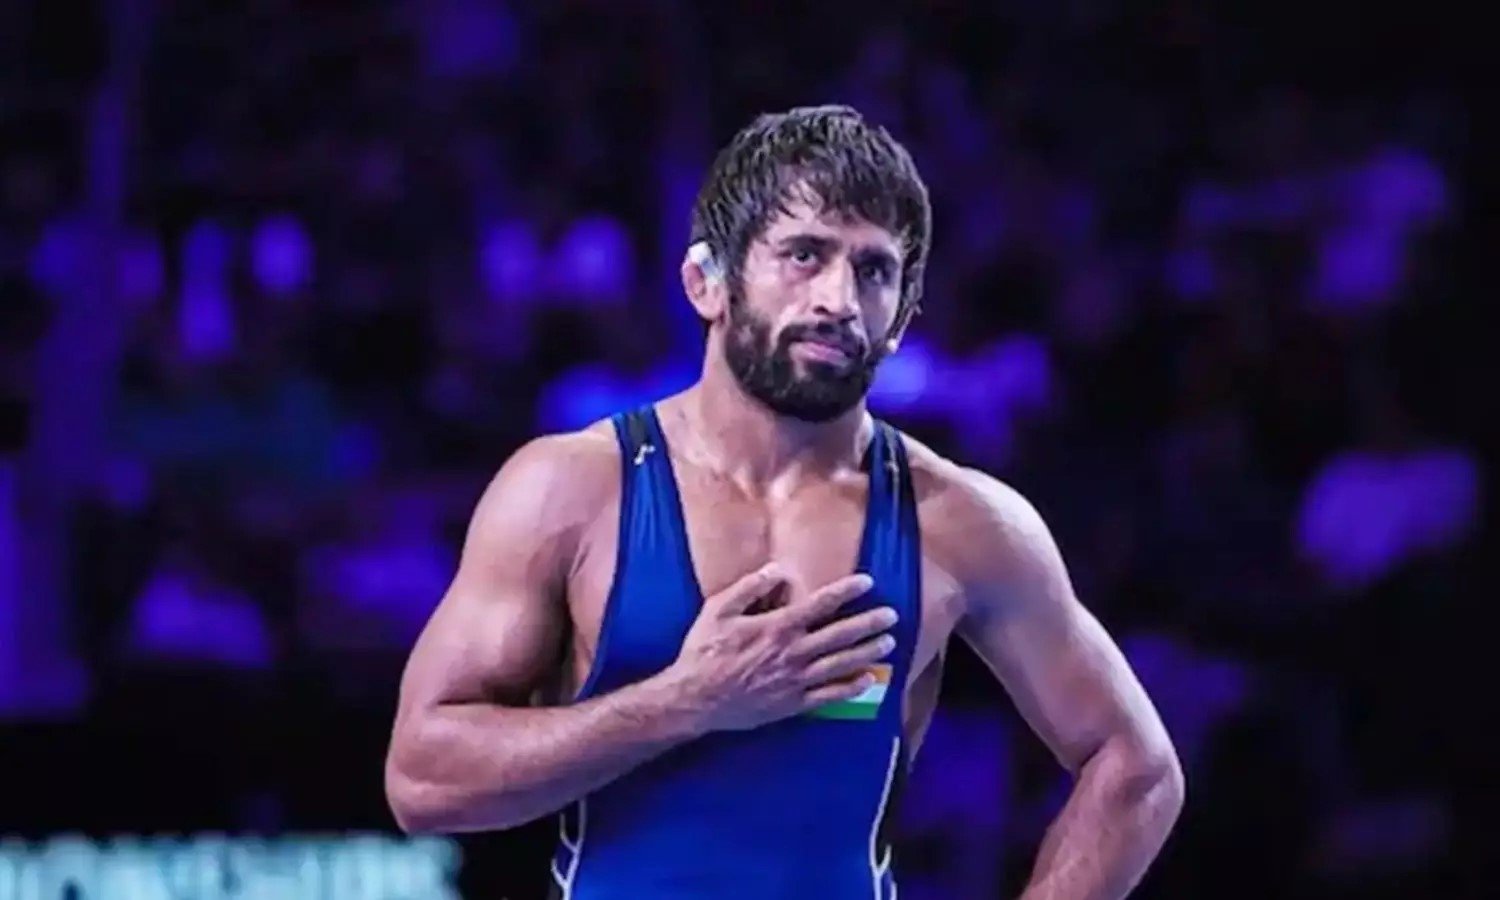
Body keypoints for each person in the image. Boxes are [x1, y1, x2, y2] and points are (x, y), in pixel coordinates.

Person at [385, 105, 1184, 900]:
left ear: (901, 321)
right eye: (804, 255)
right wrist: (685, 701)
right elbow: (422, 782)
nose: (838, 299)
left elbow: (1137, 770)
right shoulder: (573, 490)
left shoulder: (960, 524)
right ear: (707, 283)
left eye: (873, 271)